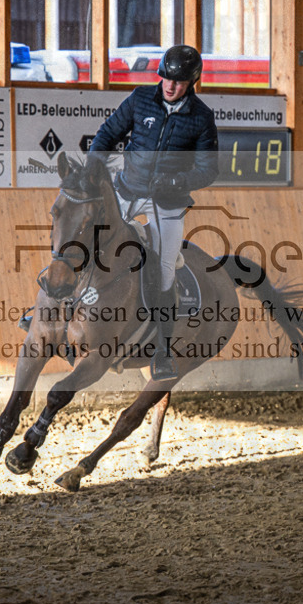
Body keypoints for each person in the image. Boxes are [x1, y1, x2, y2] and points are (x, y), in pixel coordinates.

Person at [89, 44, 219, 381]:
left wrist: (178, 180)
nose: (169, 86)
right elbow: (107, 134)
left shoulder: (201, 118)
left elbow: (208, 170)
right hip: (128, 191)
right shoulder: (139, 99)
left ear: (192, 82)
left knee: (163, 268)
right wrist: (94, 165)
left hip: (167, 202)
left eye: (177, 82)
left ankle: (162, 350)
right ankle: (48, 312)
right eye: (165, 79)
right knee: (86, 239)